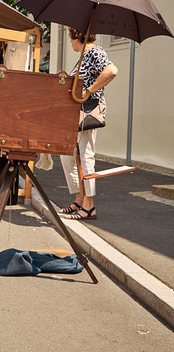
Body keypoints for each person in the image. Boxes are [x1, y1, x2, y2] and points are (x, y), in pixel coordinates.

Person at [59, 28, 118, 220]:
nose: (70, 43)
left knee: (85, 156)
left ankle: (89, 205)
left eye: (71, 38)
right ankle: (79, 199)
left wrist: (89, 90)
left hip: (88, 113)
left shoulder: (94, 51)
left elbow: (111, 70)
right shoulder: (84, 56)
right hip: (77, 115)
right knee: (68, 157)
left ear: (77, 37)